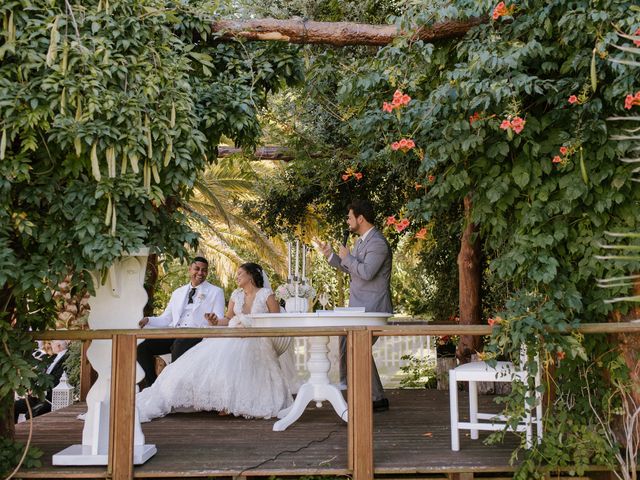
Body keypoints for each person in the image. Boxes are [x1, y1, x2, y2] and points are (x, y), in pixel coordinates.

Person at [136, 262, 295, 422]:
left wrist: (252, 328)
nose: (237, 277)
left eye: (240, 273)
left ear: (251, 275)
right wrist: (214, 321)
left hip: (257, 338)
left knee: (238, 354)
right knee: (212, 357)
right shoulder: (236, 295)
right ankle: (210, 399)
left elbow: (276, 320)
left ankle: (233, 403)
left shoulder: (266, 294)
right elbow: (227, 318)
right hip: (233, 336)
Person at [318, 199, 392, 412]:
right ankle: (375, 397)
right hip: (358, 308)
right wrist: (331, 256)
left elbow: (367, 273)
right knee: (351, 346)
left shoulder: (377, 243)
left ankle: (364, 395)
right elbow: (353, 269)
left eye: (350, 217)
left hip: (373, 308)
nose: (347, 221)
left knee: (356, 348)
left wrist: (348, 257)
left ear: (360, 218)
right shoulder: (361, 242)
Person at [137, 256, 225, 388]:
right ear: (190, 270)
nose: (200, 273)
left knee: (179, 344)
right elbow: (166, 318)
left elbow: (219, 318)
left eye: (204, 270)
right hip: (174, 333)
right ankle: (153, 386)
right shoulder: (178, 293)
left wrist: (213, 320)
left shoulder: (216, 292)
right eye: (197, 269)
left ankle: (173, 387)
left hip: (197, 335)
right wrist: (148, 319)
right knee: (142, 347)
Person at [15, 340, 69, 422]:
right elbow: (44, 373)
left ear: (58, 346)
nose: (51, 345)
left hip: (51, 398)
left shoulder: (66, 359)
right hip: (39, 396)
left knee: (32, 413)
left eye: (52, 343)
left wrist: (42, 391)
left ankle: (33, 433)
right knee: (14, 406)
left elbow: (57, 379)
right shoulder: (54, 357)